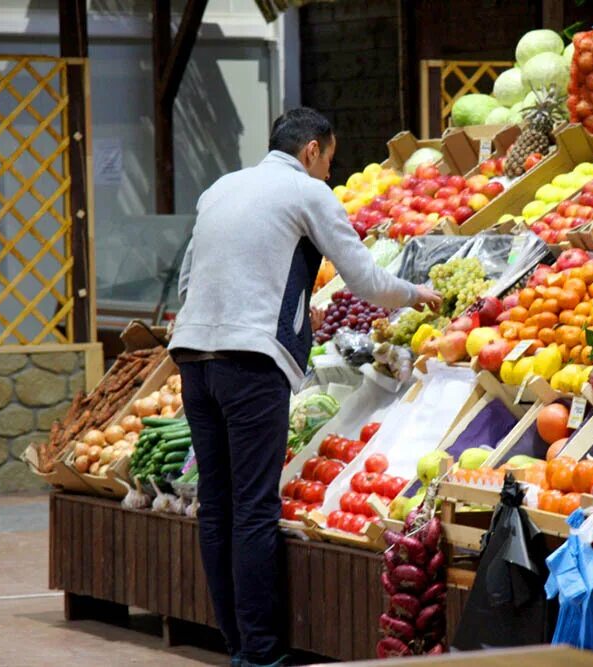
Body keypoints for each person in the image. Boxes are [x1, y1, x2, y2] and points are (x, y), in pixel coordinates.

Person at [170, 107, 441, 667]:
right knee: (251, 508)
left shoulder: (220, 188)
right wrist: (418, 294)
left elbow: (188, 280)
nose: (328, 174)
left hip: (194, 360)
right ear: (313, 150)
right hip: (251, 365)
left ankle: (238, 645)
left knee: (217, 506)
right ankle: (262, 654)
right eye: (329, 161)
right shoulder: (307, 192)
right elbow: (364, 280)